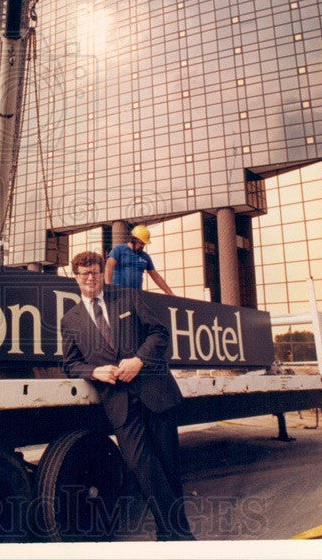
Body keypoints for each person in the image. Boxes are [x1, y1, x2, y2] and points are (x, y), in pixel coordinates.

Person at [60, 250, 195, 541]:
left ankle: (173, 536)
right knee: (141, 466)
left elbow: (159, 333)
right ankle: (178, 536)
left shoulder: (128, 297)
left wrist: (139, 360)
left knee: (168, 467)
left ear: (101, 272)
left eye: (95, 271)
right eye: (84, 273)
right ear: (76, 277)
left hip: (154, 392)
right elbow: (70, 364)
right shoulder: (70, 320)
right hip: (118, 402)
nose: (91, 278)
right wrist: (94, 372)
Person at [105, 224, 175, 296]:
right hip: (119, 293)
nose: (142, 246)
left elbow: (156, 277)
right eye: (141, 243)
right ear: (133, 239)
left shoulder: (145, 257)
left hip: (137, 295)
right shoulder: (118, 250)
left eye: (144, 244)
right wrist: (109, 287)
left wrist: (170, 293)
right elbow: (108, 267)